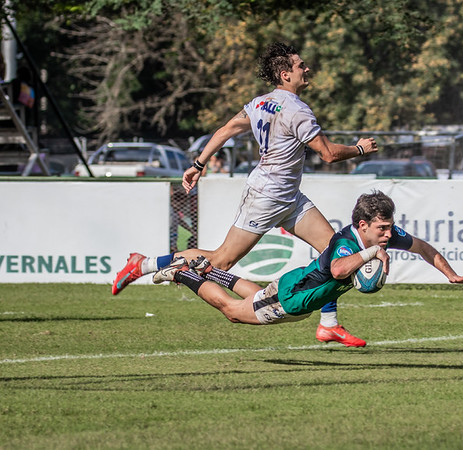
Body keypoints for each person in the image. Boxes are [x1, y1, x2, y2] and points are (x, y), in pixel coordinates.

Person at [111, 42, 379, 346]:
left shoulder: (260, 103)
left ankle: (328, 324)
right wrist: (359, 149)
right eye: (301, 65)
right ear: (285, 74)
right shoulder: (297, 110)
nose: (307, 69)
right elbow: (328, 154)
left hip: (289, 196)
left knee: (334, 250)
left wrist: (198, 164)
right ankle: (144, 264)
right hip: (266, 197)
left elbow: (226, 130)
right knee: (220, 261)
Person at [152, 191, 463, 328]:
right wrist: (372, 252)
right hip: (294, 297)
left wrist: (450, 274)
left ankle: (208, 270)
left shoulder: (381, 236)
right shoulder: (345, 243)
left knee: (255, 297)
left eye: (390, 227)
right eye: (383, 228)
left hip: (301, 296)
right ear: (363, 225)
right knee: (233, 312)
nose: (389, 234)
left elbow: (422, 247)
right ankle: (182, 273)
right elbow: (338, 269)